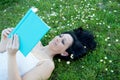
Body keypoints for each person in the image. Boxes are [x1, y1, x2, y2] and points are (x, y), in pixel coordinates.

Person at [0, 27, 96, 80]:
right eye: (60, 35)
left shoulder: (47, 64)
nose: (58, 38)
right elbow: (2, 51)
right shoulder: (35, 41)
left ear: (64, 53)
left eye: (63, 42)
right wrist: (4, 39)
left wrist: (12, 55)